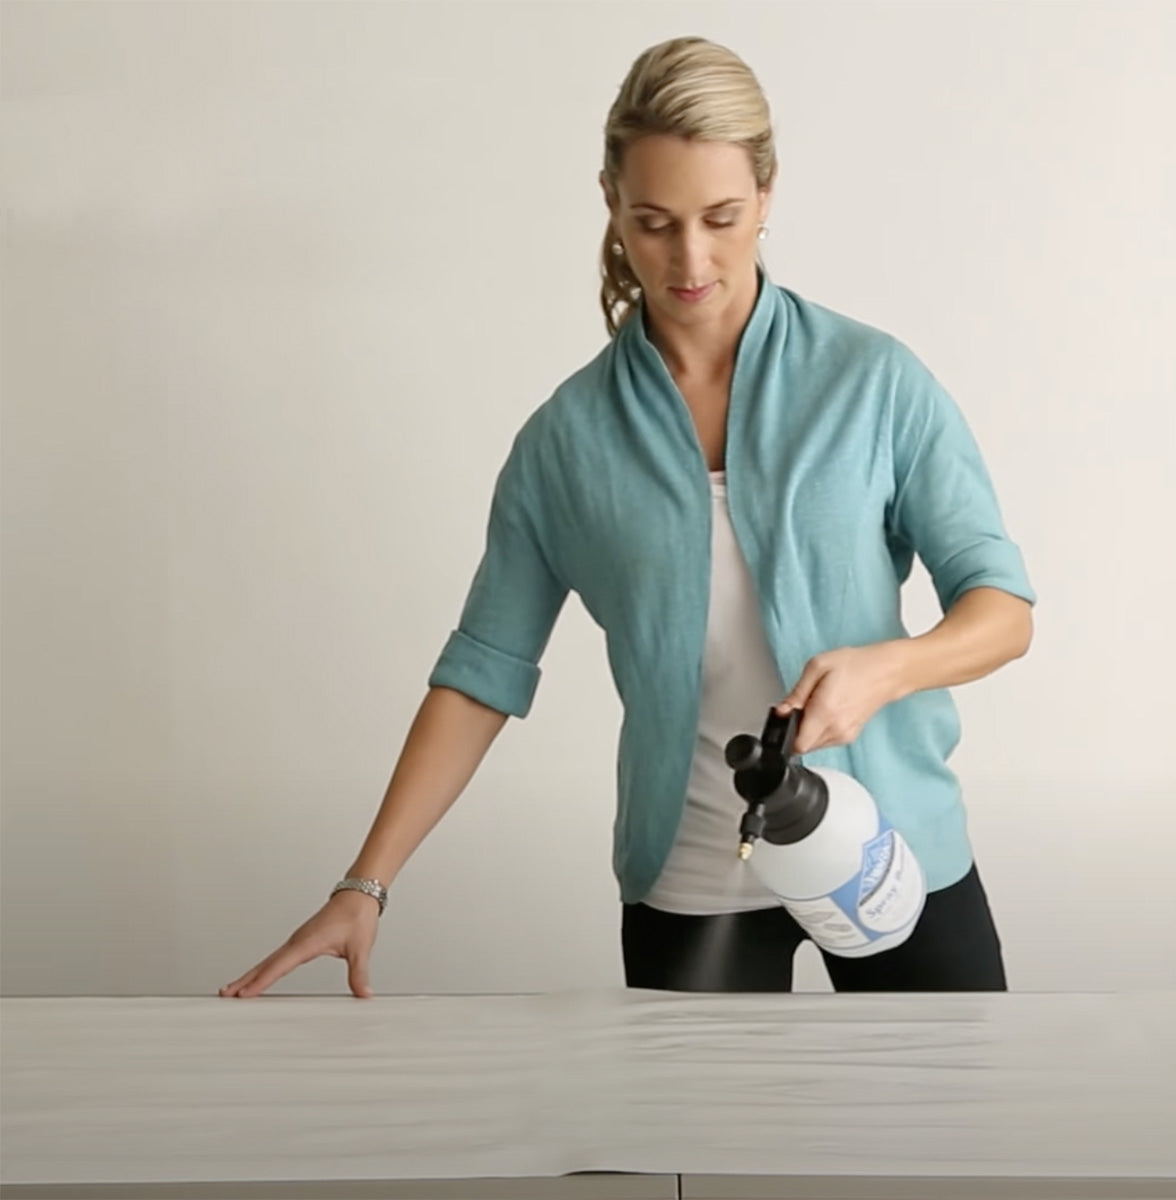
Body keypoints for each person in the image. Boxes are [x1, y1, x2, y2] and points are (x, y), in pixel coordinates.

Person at [220, 36, 1034, 1001]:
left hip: (894, 852)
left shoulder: (875, 383)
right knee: (693, 1154)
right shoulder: (565, 443)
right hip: (693, 878)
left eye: (721, 218)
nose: (690, 259)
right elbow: (482, 675)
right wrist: (367, 885)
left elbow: (1003, 610)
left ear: (767, 196)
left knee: (954, 1136)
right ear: (611, 203)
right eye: (654, 223)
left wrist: (883, 668)